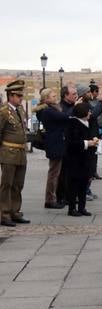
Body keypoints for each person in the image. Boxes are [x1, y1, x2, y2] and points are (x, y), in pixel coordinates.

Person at [0, 79, 30, 227]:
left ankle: (15, 211)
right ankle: (4, 214)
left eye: (21, 95)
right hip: (8, 153)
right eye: (18, 96)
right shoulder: (4, 112)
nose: (21, 98)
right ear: (10, 96)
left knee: (18, 184)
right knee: (7, 184)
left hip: (20, 152)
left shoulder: (20, 110)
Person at [35, 88, 69, 209]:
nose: (56, 98)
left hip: (57, 143)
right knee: (53, 173)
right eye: (53, 96)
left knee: (56, 172)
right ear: (46, 99)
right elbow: (65, 117)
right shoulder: (48, 111)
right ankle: (50, 199)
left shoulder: (51, 109)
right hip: (54, 144)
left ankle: (53, 198)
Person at [64, 102, 98, 217]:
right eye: (88, 110)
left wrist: (93, 139)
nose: (90, 113)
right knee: (73, 185)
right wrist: (87, 143)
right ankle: (72, 208)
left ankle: (82, 207)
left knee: (84, 184)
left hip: (85, 159)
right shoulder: (72, 123)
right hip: (75, 159)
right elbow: (70, 143)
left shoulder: (87, 123)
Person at [88, 83, 102, 180]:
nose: (98, 94)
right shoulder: (91, 103)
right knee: (92, 153)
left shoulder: (95, 101)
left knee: (95, 153)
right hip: (92, 131)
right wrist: (101, 102)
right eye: (97, 91)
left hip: (97, 129)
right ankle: (91, 172)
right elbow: (95, 114)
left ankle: (93, 171)